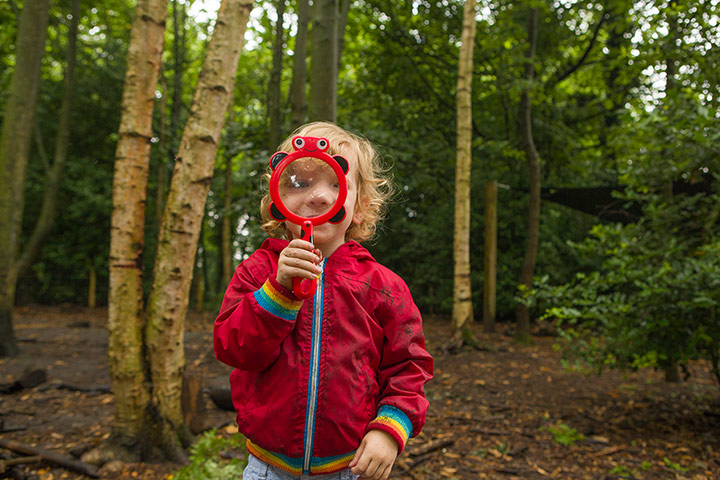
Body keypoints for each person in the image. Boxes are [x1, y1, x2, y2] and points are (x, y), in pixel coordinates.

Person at [213, 122, 433, 480]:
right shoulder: (256, 273)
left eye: (336, 182)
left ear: (359, 207)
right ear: (278, 200)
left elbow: (409, 369)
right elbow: (234, 349)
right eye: (300, 182)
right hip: (269, 468)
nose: (319, 196)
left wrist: (389, 430)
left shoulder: (383, 287)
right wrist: (279, 290)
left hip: (349, 467)